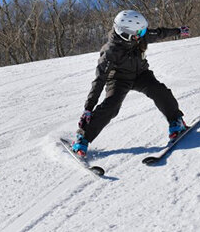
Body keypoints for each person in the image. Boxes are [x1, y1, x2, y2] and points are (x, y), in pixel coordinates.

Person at [71, 10, 191, 157]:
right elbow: (99, 79)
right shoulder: (110, 52)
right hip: (119, 79)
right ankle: (83, 137)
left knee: (159, 91)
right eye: (139, 33)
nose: (142, 35)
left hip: (141, 74)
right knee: (111, 106)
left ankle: (176, 122)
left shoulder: (140, 36)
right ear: (126, 34)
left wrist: (178, 31)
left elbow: (159, 33)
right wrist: (88, 108)